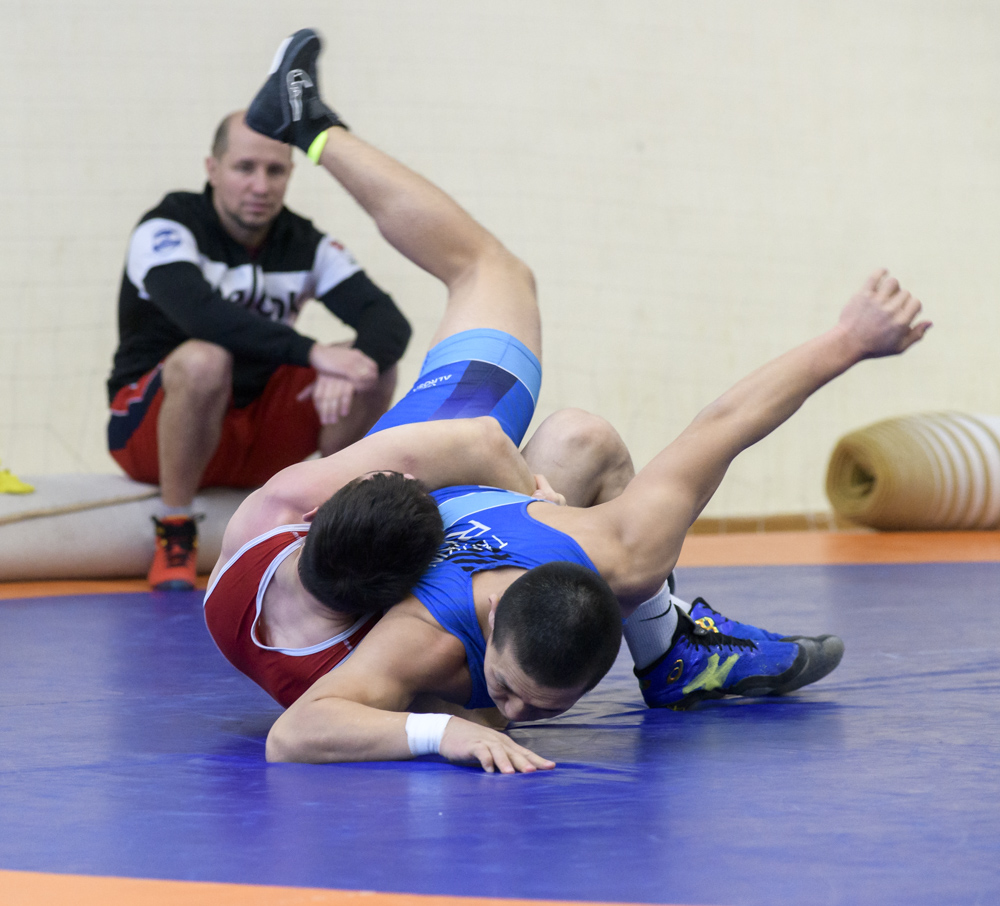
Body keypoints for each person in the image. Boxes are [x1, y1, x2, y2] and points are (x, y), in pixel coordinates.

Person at [208, 30, 930, 774]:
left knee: (577, 429)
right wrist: (456, 723)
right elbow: (504, 445)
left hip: (426, 524)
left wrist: (848, 342)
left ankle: (664, 647)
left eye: (544, 708)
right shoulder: (407, 620)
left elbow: (723, 427)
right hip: (442, 536)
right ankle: (669, 648)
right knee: (501, 289)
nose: (521, 719)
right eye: (511, 692)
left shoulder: (615, 550)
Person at [107, 109, 412, 591]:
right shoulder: (168, 226)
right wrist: (313, 353)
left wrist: (351, 364)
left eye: (275, 170)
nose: (260, 186)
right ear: (212, 169)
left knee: (368, 366)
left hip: (256, 437)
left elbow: (388, 320)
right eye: (244, 168)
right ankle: (175, 526)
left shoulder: (303, 241)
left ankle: (334, 519)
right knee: (205, 358)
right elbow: (201, 314)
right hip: (155, 434)